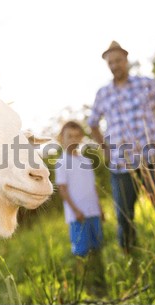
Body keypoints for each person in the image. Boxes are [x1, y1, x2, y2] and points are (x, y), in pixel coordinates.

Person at [88, 41, 155, 254]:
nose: (115, 65)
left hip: (150, 158)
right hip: (121, 165)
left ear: (126, 60)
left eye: (118, 60)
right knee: (124, 215)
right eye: (110, 62)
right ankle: (132, 260)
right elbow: (92, 123)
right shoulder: (103, 93)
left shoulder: (145, 84)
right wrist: (106, 149)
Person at [55, 121, 106, 295]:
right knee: (81, 252)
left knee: (97, 248)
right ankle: (87, 288)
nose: (74, 140)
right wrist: (76, 211)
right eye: (70, 136)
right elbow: (62, 189)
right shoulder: (62, 162)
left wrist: (100, 208)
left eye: (77, 136)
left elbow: (92, 187)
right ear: (62, 138)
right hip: (78, 216)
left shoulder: (85, 160)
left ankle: (101, 282)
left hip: (93, 213)